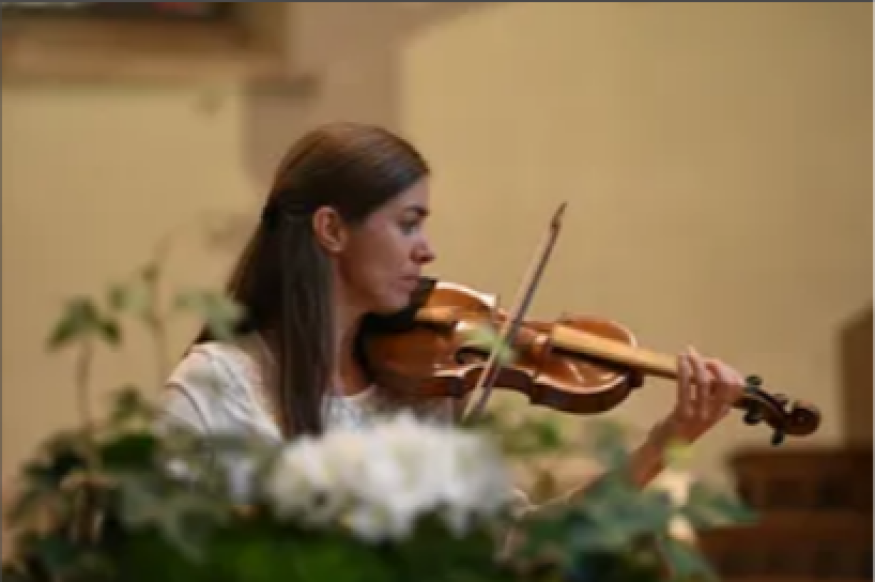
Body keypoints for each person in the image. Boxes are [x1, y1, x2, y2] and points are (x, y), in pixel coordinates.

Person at [161, 121, 745, 515]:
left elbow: (516, 547)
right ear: (332, 229)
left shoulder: (422, 391)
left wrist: (664, 443)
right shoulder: (215, 387)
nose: (427, 250)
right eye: (408, 223)